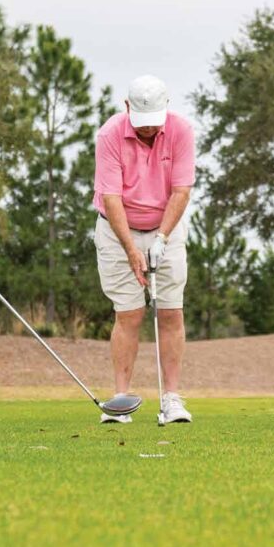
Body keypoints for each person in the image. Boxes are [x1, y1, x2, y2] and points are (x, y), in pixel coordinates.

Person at [93, 74, 196, 424]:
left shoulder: (181, 130)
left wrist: (162, 239)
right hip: (116, 230)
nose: (149, 131)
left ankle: (172, 398)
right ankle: (121, 401)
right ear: (127, 108)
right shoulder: (109, 134)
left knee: (170, 312)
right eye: (142, 124)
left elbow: (181, 191)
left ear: (166, 110)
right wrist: (131, 250)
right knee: (129, 314)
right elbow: (111, 198)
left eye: (154, 123)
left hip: (167, 226)